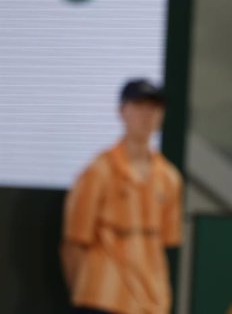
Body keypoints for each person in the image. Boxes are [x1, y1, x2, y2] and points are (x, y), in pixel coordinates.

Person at [61, 79, 183, 314]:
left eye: (154, 107)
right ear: (122, 111)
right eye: (139, 106)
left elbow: (166, 242)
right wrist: (85, 296)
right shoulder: (98, 171)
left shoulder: (169, 178)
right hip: (102, 300)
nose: (147, 115)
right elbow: (73, 243)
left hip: (152, 303)